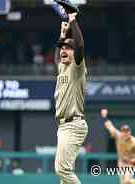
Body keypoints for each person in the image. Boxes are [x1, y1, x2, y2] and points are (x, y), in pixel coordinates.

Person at [53, 9, 88, 184]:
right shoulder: (63, 68)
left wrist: (73, 20)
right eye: (62, 48)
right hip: (64, 126)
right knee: (64, 175)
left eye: (68, 48)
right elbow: (57, 57)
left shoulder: (76, 68)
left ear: (74, 53)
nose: (63, 51)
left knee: (62, 169)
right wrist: (62, 35)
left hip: (73, 124)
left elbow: (80, 46)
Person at [101, 108, 135, 184]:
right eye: (124, 131)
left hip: (130, 163)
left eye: (127, 131)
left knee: (126, 180)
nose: (125, 133)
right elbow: (110, 127)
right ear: (121, 132)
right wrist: (105, 117)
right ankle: (131, 182)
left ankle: (130, 181)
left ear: (130, 132)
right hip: (121, 162)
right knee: (123, 182)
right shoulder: (118, 136)